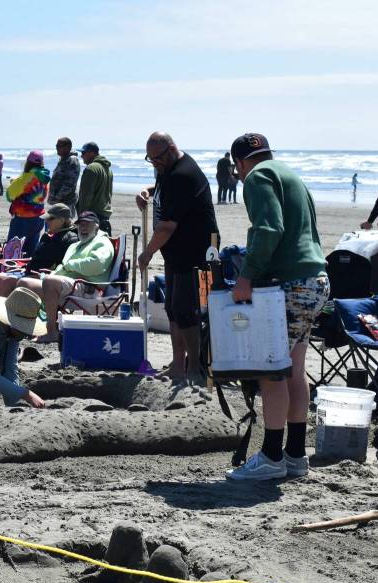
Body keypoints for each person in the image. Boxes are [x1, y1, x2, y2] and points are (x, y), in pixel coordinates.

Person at [224, 133, 329, 482]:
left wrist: (246, 276)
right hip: (315, 280)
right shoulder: (289, 174)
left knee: (270, 370)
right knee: (294, 370)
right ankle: (296, 455)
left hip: (291, 284)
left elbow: (269, 229)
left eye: (238, 170)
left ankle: (271, 456)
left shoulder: (257, 177)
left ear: (239, 163)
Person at [136, 132, 218, 383]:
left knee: (186, 310)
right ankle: (177, 365)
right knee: (172, 308)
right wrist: (147, 191)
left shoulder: (183, 174)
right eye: (150, 160)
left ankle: (194, 368)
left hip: (194, 251)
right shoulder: (167, 169)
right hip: (174, 251)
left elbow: (167, 226)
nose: (155, 164)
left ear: (172, 149)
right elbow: (162, 188)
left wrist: (147, 253)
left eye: (158, 158)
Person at [16, 211, 114, 343]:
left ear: (96, 226)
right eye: (80, 225)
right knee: (24, 283)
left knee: (51, 282)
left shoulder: (102, 243)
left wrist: (70, 266)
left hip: (89, 288)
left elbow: (96, 264)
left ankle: (51, 331)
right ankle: (26, 327)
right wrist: (48, 276)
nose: (83, 227)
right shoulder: (75, 246)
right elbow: (62, 268)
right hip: (69, 284)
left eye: (87, 224)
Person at [0, 203, 78, 297]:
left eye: (50, 219)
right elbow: (38, 256)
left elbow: (56, 262)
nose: (46, 222)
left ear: (62, 220)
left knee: (6, 281)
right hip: (32, 271)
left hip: (45, 276)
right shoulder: (53, 235)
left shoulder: (69, 239)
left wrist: (47, 241)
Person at [5, 150, 51, 257]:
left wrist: (15, 183)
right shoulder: (44, 178)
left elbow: (9, 196)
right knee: (30, 253)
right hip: (39, 217)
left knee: (13, 252)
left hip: (23, 219)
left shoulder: (25, 178)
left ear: (28, 163)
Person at [76, 142, 113, 235]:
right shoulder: (108, 169)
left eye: (83, 153)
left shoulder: (91, 168)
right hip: (104, 216)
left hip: (92, 217)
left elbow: (86, 196)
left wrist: (81, 217)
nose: (81, 156)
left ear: (92, 153)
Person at [48, 137, 80, 218]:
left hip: (66, 203)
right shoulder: (63, 159)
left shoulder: (72, 160)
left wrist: (57, 198)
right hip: (60, 202)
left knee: (64, 226)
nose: (57, 148)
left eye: (59, 146)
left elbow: (69, 183)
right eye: (56, 146)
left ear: (68, 147)